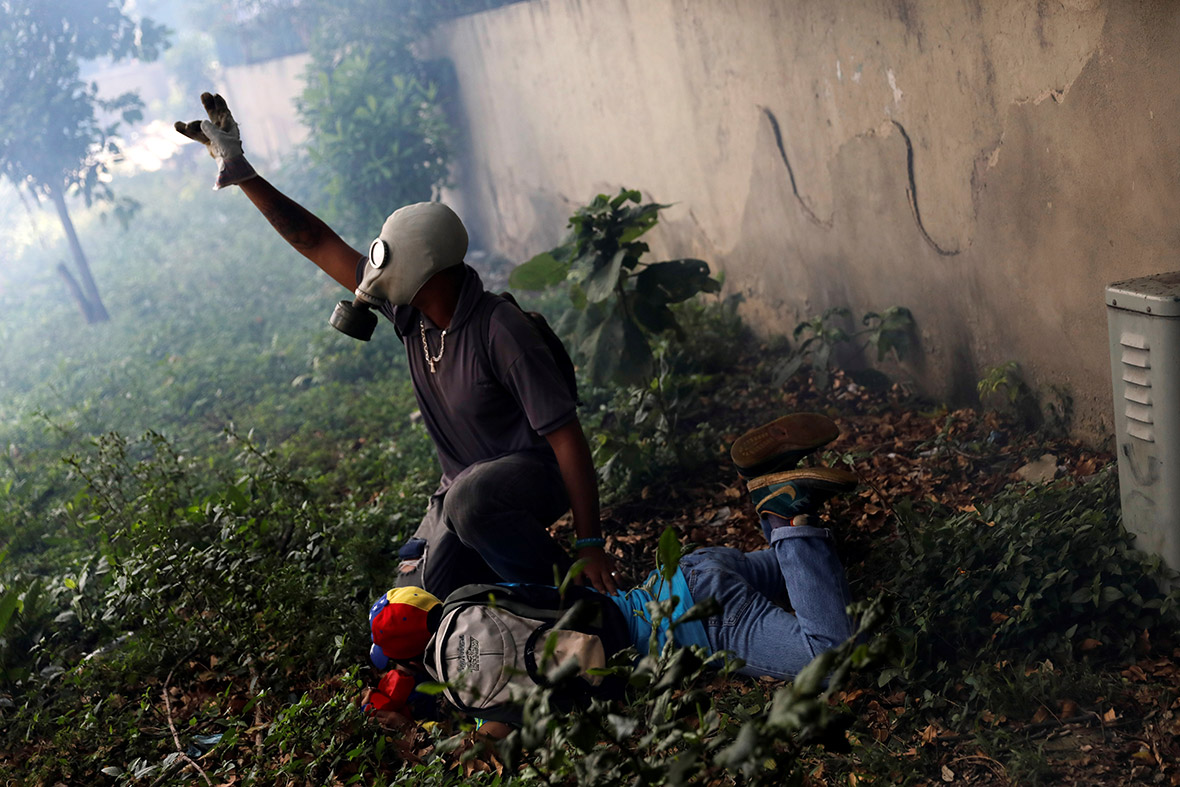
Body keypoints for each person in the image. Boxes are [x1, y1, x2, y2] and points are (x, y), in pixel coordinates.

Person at [175, 92, 615, 597]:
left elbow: (567, 439)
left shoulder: (502, 330)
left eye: (389, 264)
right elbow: (315, 241)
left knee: (473, 505)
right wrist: (241, 171)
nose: (374, 277)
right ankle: (503, 582)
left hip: (532, 479)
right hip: (461, 493)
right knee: (408, 607)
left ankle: (581, 603)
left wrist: (591, 544)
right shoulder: (413, 313)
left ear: (430, 269)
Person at [364, 412, 860, 730]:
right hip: (686, 572)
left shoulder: (471, 689)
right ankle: (787, 501)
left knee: (829, 656)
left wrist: (423, 718)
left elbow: (499, 733)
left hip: (707, 623)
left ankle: (784, 509)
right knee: (816, 574)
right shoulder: (474, 596)